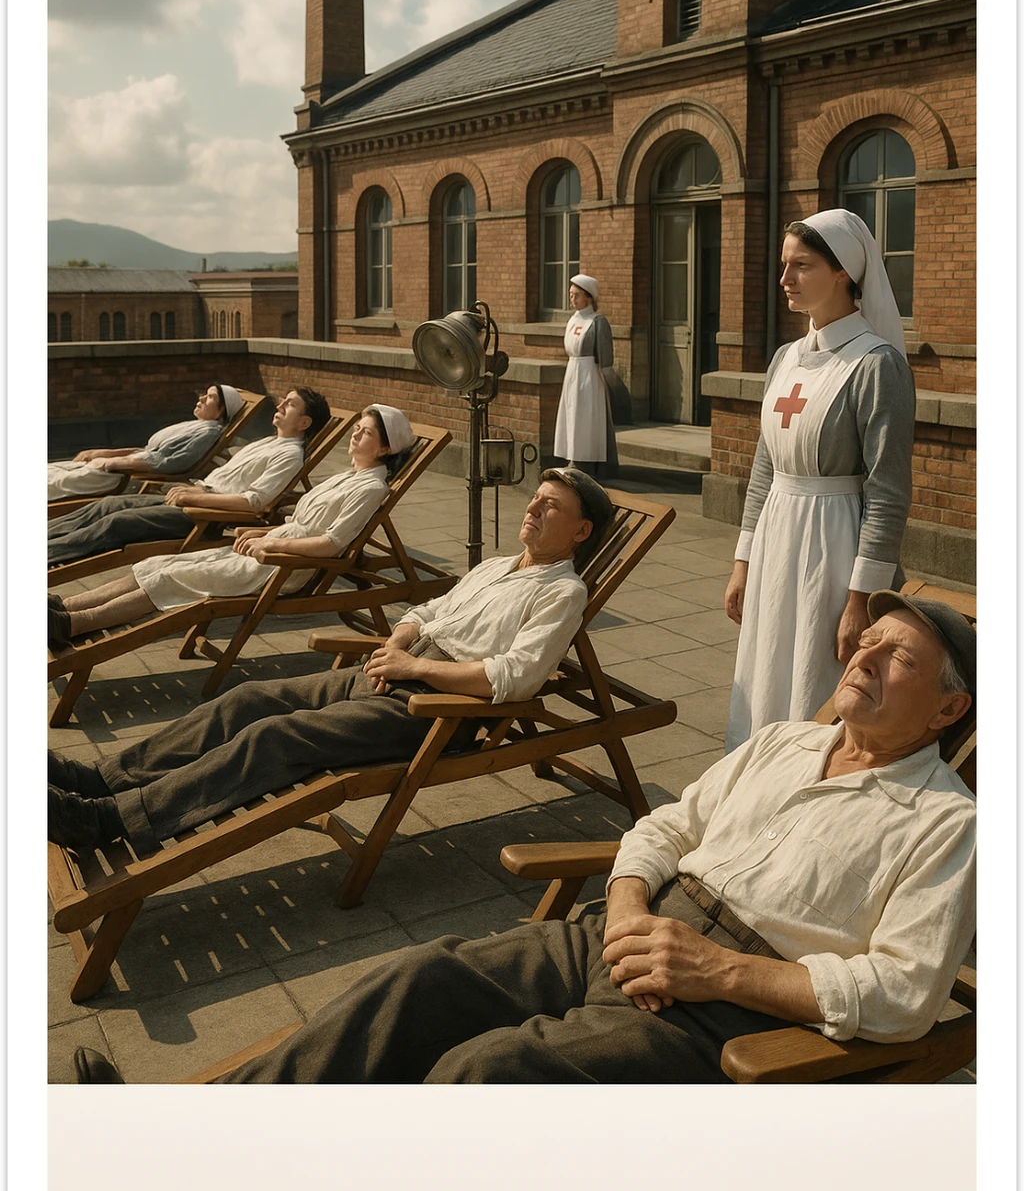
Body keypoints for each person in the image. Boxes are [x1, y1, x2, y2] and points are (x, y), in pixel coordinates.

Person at [69, 592, 977, 1085]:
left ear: (949, 708)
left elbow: (903, 992)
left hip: (729, 1010)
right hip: (621, 930)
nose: (860, 657)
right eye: (865, 645)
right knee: (412, 981)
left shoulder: (946, 824)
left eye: (896, 655)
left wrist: (721, 972)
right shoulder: (785, 741)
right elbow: (667, 824)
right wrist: (625, 899)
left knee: (490, 1072)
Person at [47, 467, 615, 857]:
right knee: (246, 699)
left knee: (275, 736)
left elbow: (516, 678)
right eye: (536, 499)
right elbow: (427, 606)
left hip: (440, 708)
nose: (534, 508)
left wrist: (416, 669)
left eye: (551, 506)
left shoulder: (562, 593)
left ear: (581, 531)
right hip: (396, 670)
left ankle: (111, 821)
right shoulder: (496, 565)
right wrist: (400, 642)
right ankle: (103, 778)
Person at [723, 209, 916, 752]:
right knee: (767, 669)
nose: (785, 278)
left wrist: (862, 597)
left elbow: (888, 491)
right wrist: (743, 561)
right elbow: (765, 467)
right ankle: (757, 773)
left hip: (834, 547)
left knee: (815, 673)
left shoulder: (876, 365)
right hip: (776, 540)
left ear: (843, 273)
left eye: (801, 265)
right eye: (784, 265)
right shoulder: (785, 358)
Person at [46, 405, 410, 648]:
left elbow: (331, 544)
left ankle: (74, 625)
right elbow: (298, 523)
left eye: (364, 433)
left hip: (282, 568)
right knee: (158, 564)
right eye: (357, 429)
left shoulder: (371, 487)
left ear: (384, 449)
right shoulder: (348, 476)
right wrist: (261, 533)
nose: (355, 436)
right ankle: (65, 606)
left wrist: (272, 547)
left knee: (168, 579)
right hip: (268, 551)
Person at [47, 386, 331, 572]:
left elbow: (254, 502)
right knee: (106, 505)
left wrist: (196, 496)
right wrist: (193, 489)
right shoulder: (268, 442)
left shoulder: (290, 456)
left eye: (290, 404)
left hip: (204, 515)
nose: (280, 405)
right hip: (194, 497)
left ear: (304, 422)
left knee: (116, 522)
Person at [47, 383, 245, 501]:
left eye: (210, 397)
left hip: (123, 476)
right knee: (52, 470)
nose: (201, 398)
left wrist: (112, 462)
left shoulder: (209, 433)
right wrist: (104, 453)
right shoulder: (196, 425)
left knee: (55, 483)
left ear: (221, 412)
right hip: (123, 465)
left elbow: (173, 462)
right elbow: (147, 450)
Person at [552, 274, 619, 477]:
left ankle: (588, 460)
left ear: (589, 297)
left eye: (577, 295)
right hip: (572, 371)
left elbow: (605, 355)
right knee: (571, 414)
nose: (572, 300)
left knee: (587, 416)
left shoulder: (597, 322)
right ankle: (572, 455)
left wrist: (609, 381)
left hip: (589, 373)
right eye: (571, 295)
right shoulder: (572, 320)